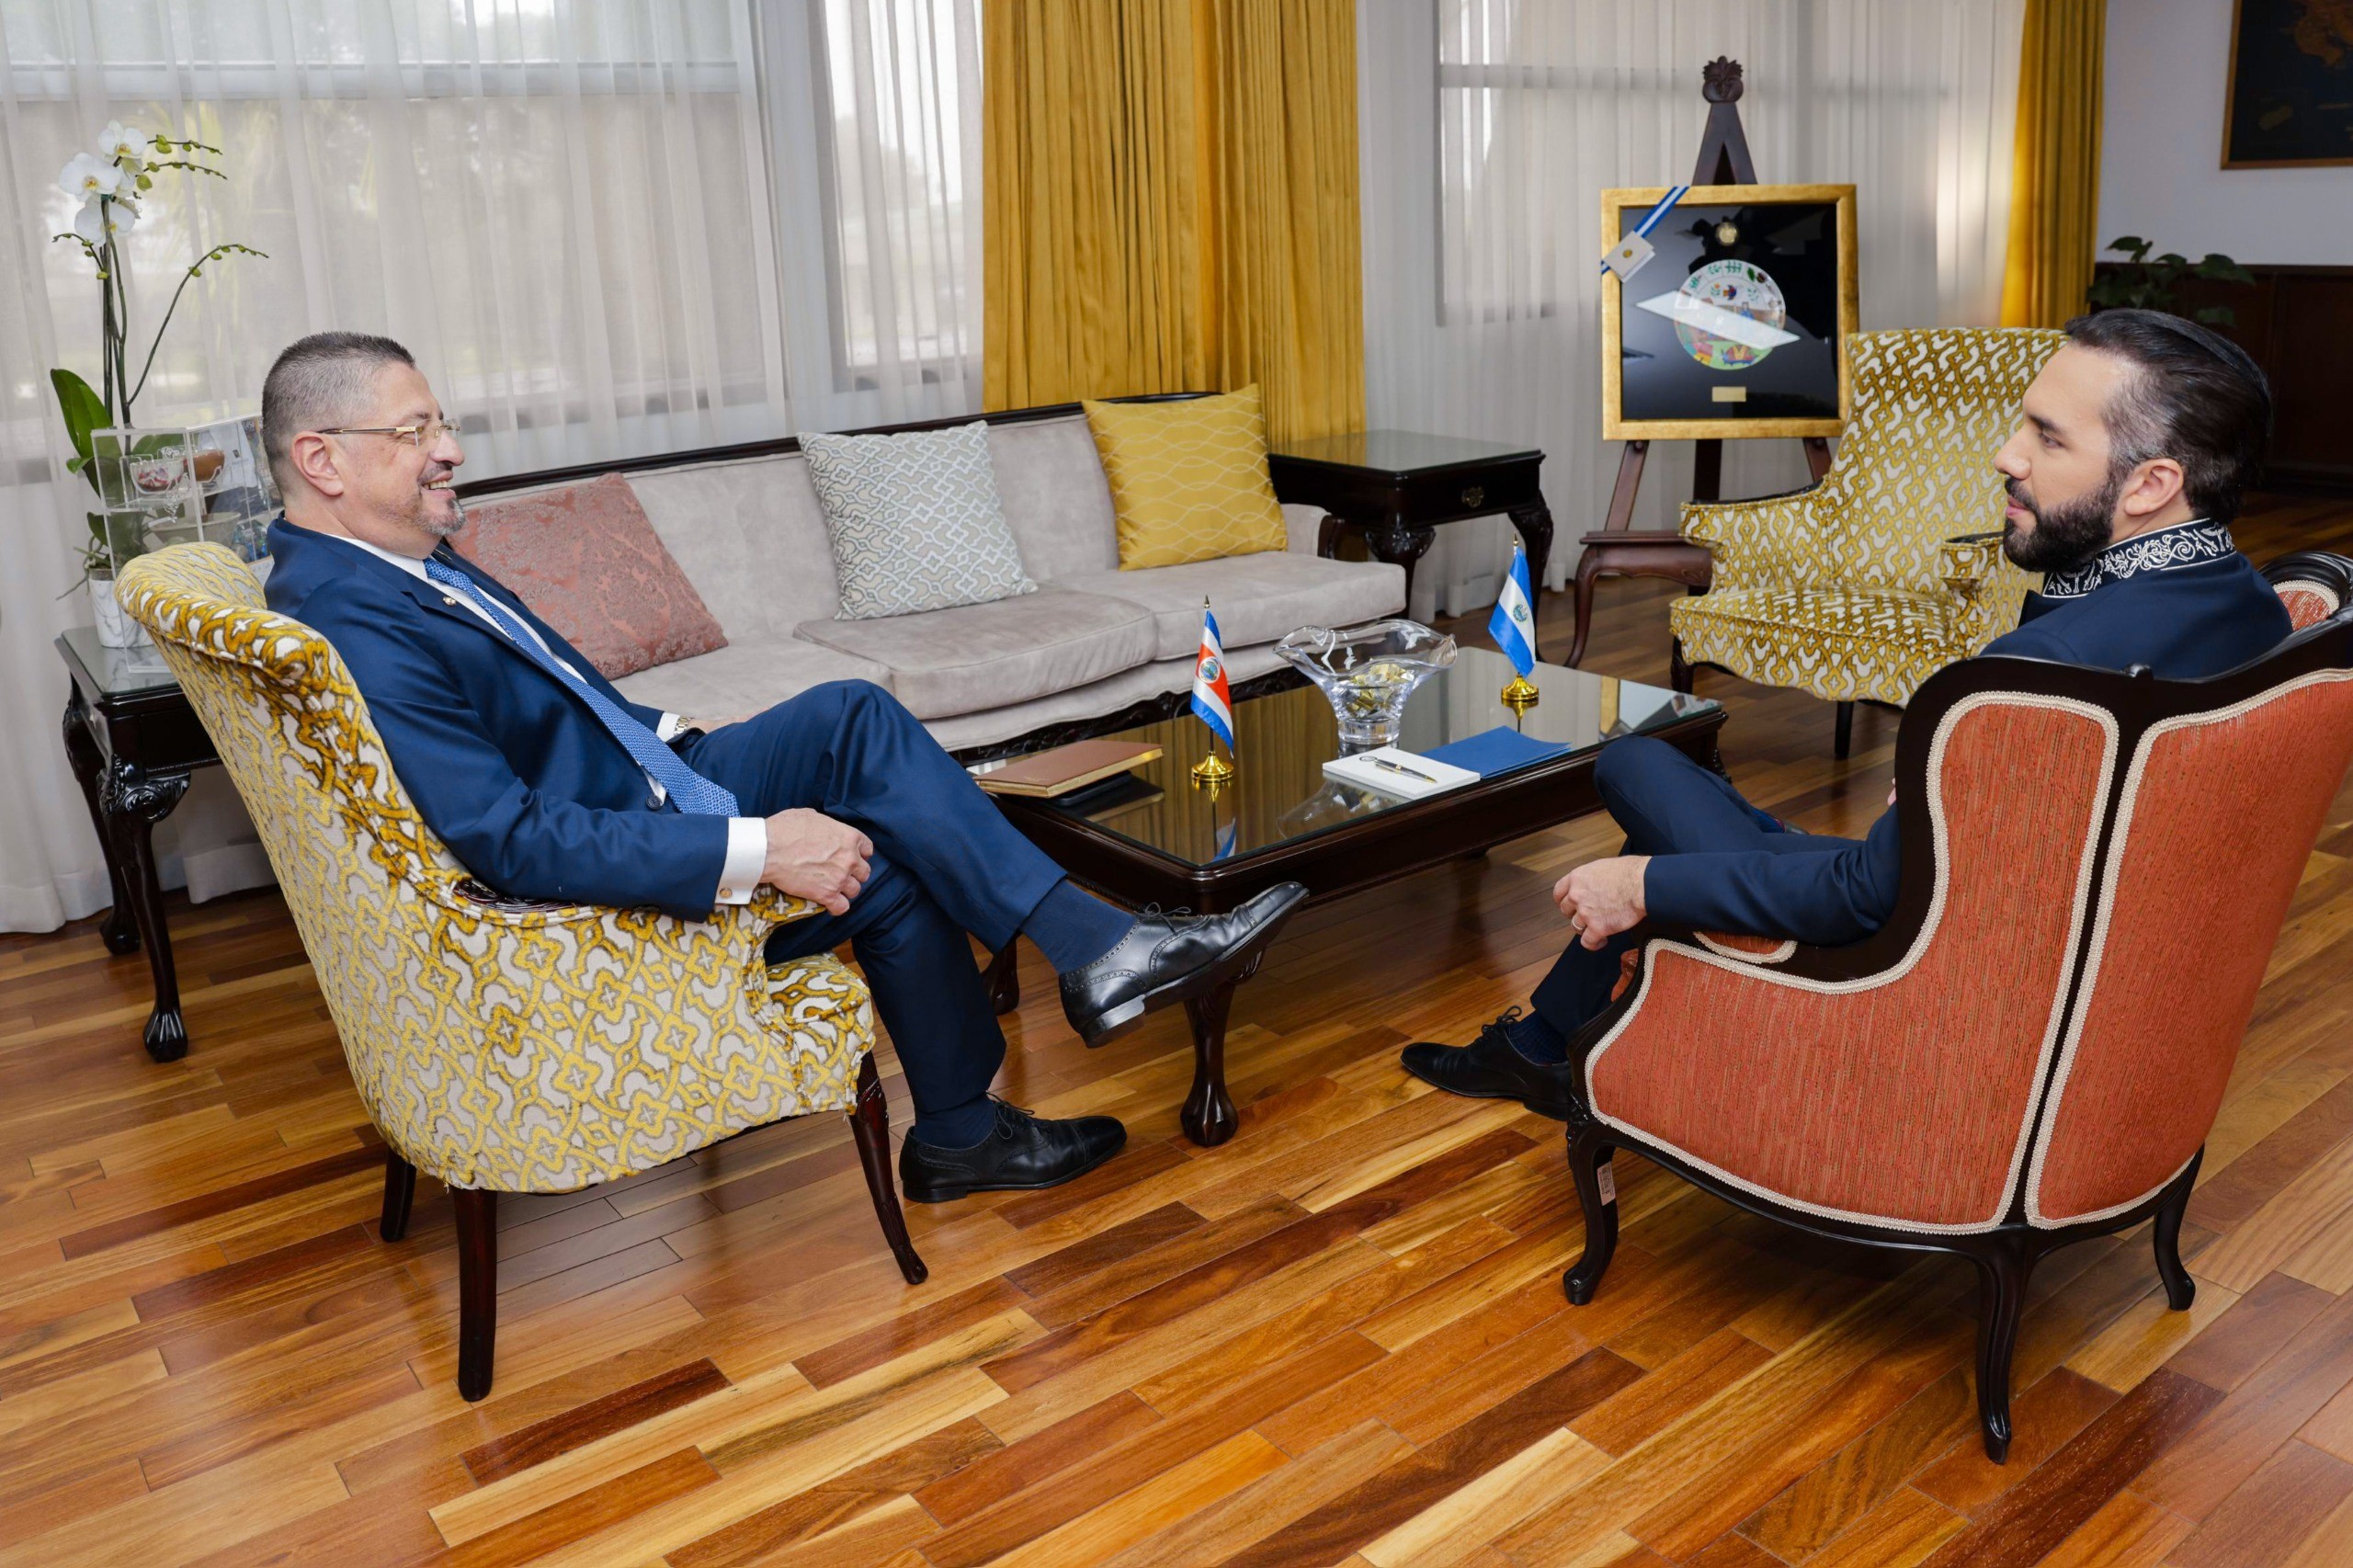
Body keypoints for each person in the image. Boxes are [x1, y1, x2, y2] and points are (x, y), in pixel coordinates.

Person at [256, 332, 1306, 1200]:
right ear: (322, 459)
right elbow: (507, 836)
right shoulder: (352, 614)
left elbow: (560, 701)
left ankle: (1029, 1038)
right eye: (415, 431)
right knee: (883, 840)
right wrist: (761, 848)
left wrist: (678, 731)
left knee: (852, 718)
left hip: (650, 775)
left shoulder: (398, 563)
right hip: (609, 864)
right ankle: (1012, 1061)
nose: (449, 450)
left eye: (441, 424)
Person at [1404, 308, 2295, 1112]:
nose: (2006, 455)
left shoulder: (2033, 677)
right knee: (1635, 763)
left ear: (2151, 485)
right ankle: (1543, 1044)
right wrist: (1938, 784)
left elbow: (1863, 897)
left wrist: (1637, 885)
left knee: (1634, 782)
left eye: (2048, 438)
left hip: (1912, 948)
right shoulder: (2255, 607)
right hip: (2041, 925)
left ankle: (1539, 1045)